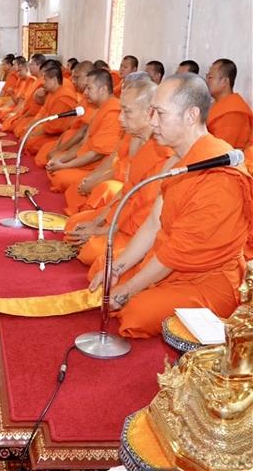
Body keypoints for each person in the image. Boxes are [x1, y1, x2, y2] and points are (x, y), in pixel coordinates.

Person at [89, 73, 253, 338]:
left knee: (135, 313)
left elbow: (177, 252)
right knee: (103, 270)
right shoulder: (180, 160)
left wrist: (128, 289)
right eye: (151, 112)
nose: (152, 121)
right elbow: (154, 223)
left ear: (191, 115)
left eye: (160, 114)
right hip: (170, 261)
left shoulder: (218, 174)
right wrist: (116, 269)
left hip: (210, 279)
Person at [64, 76, 174, 267]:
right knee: (73, 225)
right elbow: (127, 191)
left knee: (94, 253)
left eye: (127, 112)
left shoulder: (167, 154)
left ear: (149, 113)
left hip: (140, 231)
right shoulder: (136, 141)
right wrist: (99, 222)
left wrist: (104, 231)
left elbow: (149, 216)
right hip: (124, 216)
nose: (120, 117)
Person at [46, 69, 122, 191]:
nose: (85, 93)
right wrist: (61, 160)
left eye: (89, 88)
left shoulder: (113, 111)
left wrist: (64, 166)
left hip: (98, 167)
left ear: (103, 90)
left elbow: (97, 154)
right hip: (85, 158)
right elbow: (83, 143)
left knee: (60, 176)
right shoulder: (101, 108)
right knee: (53, 163)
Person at [205, 59, 253, 150]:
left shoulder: (234, 113)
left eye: (210, 77)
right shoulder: (215, 104)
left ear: (225, 82)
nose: (206, 81)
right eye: (206, 77)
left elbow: (221, 151)